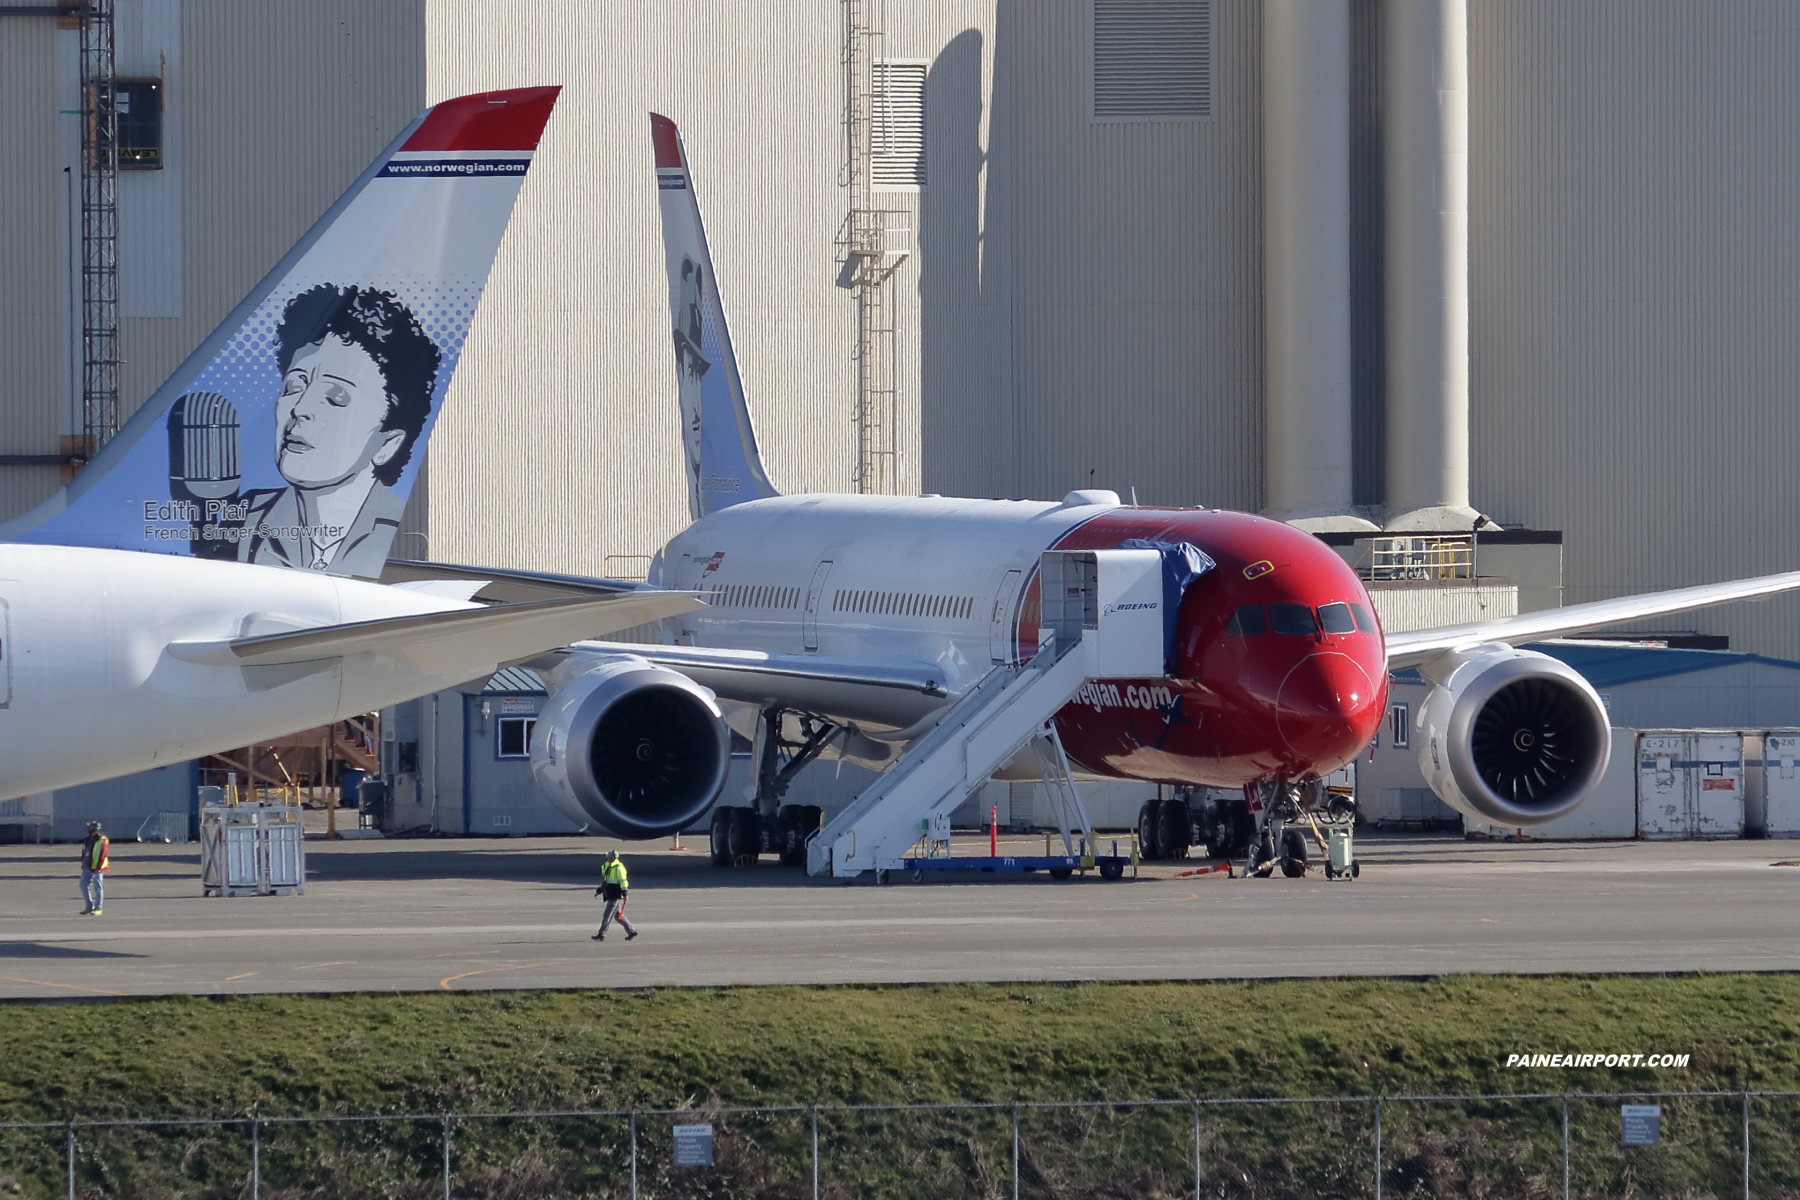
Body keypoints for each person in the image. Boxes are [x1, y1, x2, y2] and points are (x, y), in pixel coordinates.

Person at [236, 283, 441, 579]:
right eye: (295, 386)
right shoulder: (241, 520)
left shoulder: (401, 533)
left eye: (335, 397)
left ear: (387, 444)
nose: (300, 408)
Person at [592, 850, 638, 942]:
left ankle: (601, 934)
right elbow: (605, 881)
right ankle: (631, 931)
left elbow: (623, 881)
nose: (606, 855)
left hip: (615, 895)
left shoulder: (618, 868)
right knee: (618, 916)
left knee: (607, 915)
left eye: (608, 854)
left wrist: (625, 893)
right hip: (610, 894)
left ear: (612, 857)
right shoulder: (608, 866)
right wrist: (599, 890)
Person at [79, 821, 109, 916]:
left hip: (96, 868)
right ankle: (89, 906)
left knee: (98, 888)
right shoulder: (87, 839)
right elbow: (84, 851)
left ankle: (98, 908)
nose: (89, 828)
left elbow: (103, 854)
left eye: (91, 827)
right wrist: (83, 862)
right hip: (87, 867)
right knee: (83, 885)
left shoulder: (101, 840)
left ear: (95, 828)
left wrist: (99, 867)